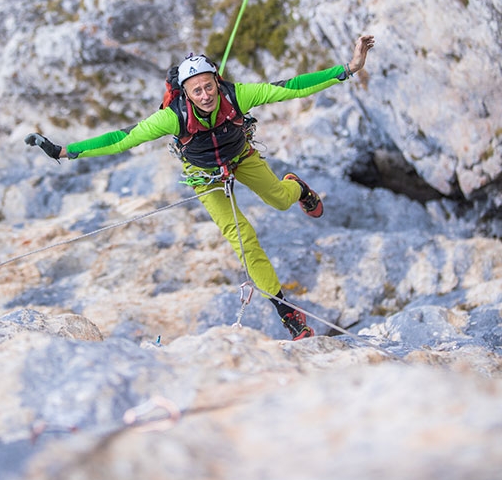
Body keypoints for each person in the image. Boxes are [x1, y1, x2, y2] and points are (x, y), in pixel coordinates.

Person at [25, 34, 374, 340]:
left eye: (209, 87)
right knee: (243, 239)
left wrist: (348, 68)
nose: (206, 95)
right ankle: (286, 311)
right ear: (186, 94)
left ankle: (297, 187)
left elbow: (292, 87)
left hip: (241, 157)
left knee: (281, 200)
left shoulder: (237, 96)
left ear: (216, 82)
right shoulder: (171, 117)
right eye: (197, 91)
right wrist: (64, 151)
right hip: (203, 175)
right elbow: (122, 139)